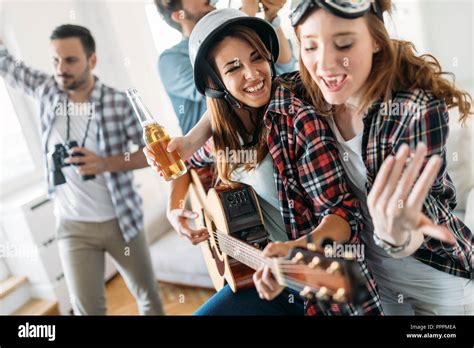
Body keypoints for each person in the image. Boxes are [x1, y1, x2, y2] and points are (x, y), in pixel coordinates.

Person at [156, 0, 473, 315]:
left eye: (344, 43)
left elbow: (367, 217)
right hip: (371, 282)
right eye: (310, 46)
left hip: (431, 276)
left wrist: (395, 235)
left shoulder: (401, 112)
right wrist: (176, 202)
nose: (325, 63)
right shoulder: (302, 93)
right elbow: (223, 121)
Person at [145, 8, 384, 316]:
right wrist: (175, 208)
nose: (252, 74)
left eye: (257, 58)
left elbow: (342, 215)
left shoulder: (297, 121)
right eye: (233, 68)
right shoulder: (224, 137)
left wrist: (294, 249)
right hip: (264, 281)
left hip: (323, 289)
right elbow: (188, 165)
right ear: (214, 80)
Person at [0, 25, 164, 315]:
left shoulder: (117, 102)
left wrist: (105, 163)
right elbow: (8, 66)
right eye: (55, 60)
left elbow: (153, 154)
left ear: (92, 61)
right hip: (73, 226)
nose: (60, 69)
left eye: (71, 60)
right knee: (86, 310)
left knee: (149, 298)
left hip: (121, 221)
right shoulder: (46, 90)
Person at [155, 0, 297, 134]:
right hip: (215, 151)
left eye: (256, 57)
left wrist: (271, 17)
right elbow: (220, 89)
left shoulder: (232, 37)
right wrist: (246, 13)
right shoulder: (170, 59)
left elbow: (284, 67)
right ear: (179, 15)